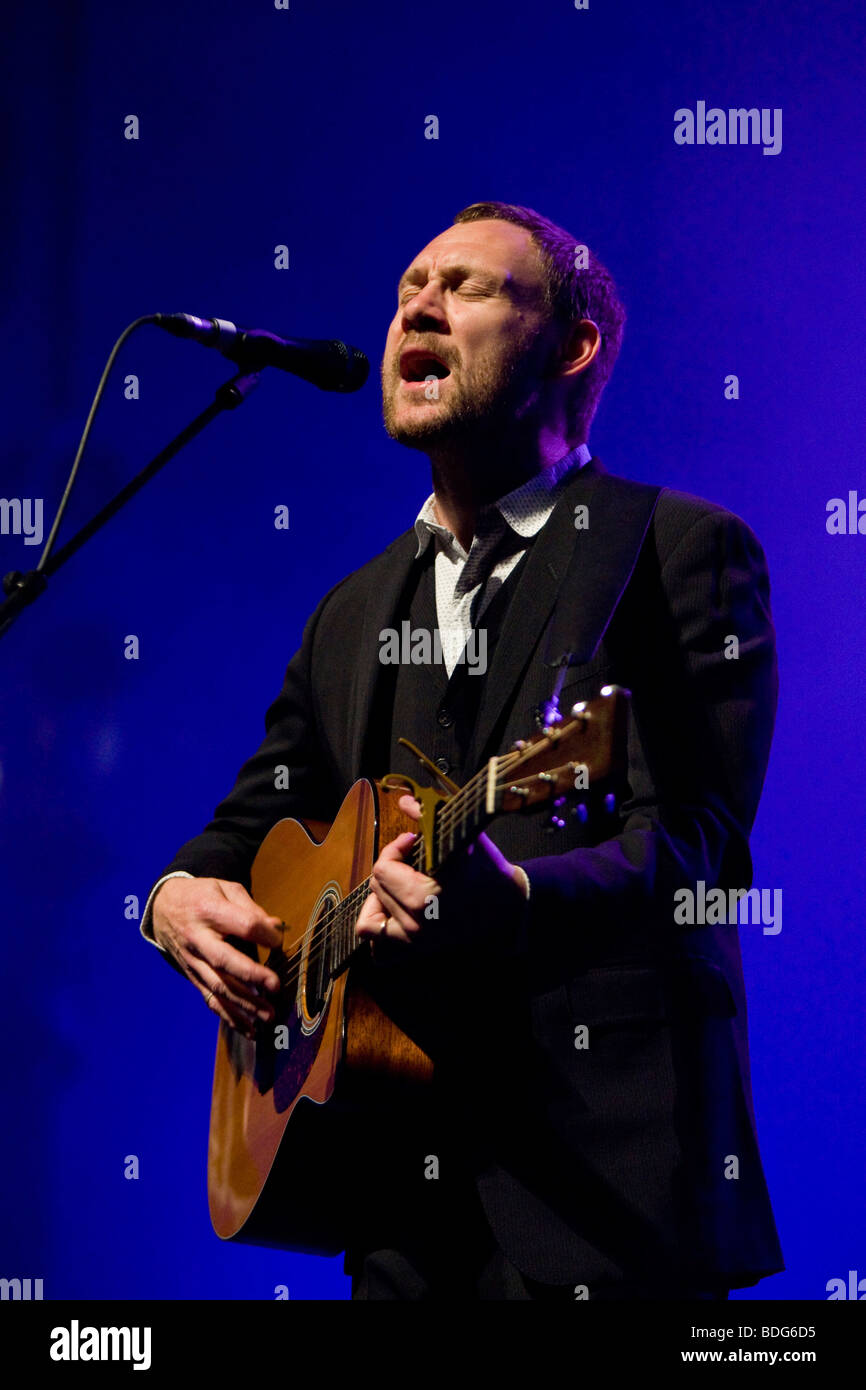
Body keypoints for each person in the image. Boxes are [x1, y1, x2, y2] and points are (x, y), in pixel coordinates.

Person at [141, 201, 784, 1300]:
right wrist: (174, 896)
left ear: (570, 346)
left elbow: (697, 852)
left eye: (467, 288)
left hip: (606, 1190)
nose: (415, 309)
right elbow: (251, 820)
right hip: (390, 1193)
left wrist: (521, 895)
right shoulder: (350, 609)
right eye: (406, 289)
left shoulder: (673, 549)